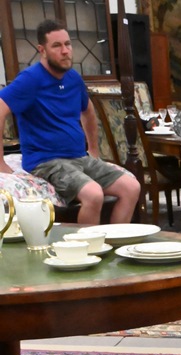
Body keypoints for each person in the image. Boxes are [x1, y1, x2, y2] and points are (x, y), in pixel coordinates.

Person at [0, 19, 141, 225]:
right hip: (46, 161)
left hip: (78, 157)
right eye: (57, 46)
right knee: (93, 195)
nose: (65, 51)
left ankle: (114, 241)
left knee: (131, 188)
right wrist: (0, 162)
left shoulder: (73, 78)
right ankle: (85, 245)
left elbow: (88, 111)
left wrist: (93, 150)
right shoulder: (30, 79)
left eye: (67, 44)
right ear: (42, 50)